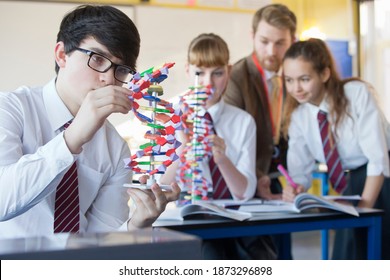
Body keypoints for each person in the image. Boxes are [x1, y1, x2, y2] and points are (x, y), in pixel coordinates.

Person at [0, 4, 180, 239]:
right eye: (97, 59)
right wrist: (73, 138)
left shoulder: (115, 148)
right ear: (61, 55)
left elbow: (100, 239)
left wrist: (136, 225)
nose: (108, 78)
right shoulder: (11, 109)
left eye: (122, 70)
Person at [160, 33, 276, 259]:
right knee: (211, 255)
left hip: (236, 218)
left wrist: (222, 159)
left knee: (265, 255)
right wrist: (183, 151)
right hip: (188, 220)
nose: (208, 83)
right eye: (199, 73)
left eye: (217, 73)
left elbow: (244, 193)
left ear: (229, 72)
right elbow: (160, 187)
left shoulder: (243, 121)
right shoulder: (173, 116)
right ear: (187, 71)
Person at [281, 38, 390, 259]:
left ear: (324, 74)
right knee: (346, 255)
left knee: (375, 249)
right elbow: (299, 171)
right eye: (289, 80)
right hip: (350, 187)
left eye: (304, 79)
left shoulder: (356, 94)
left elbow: (378, 159)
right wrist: (295, 187)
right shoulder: (299, 115)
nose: (296, 89)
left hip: (381, 179)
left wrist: (364, 210)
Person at [223, 3, 297, 259]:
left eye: (280, 43)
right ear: (252, 36)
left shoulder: (295, 76)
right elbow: (230, 140)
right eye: (264, 41)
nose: (271, 51)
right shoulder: (236, 77)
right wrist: (256, 176)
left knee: (283, 255)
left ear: (293, 41)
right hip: (244, 179)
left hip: (277, 180)